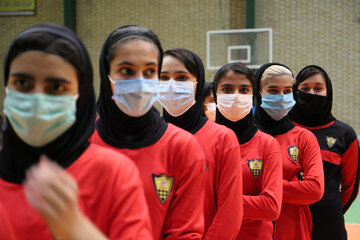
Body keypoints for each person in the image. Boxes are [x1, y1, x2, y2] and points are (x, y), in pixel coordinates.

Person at [0, 24, 152, 240]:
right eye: (23, 83)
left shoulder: (114, 173)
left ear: (81, 96)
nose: (38, 100)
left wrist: (75, 228)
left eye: (56, 87)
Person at [90, 26, 205, 239]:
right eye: (126, 70)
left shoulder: (181, 146)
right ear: (107, 75)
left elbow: (186, 232)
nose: (140, 81)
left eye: (150, 71)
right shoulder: (82, 143)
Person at [158, 48, 243, 239]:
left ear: (198, 83)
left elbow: (230, 213)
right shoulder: (149, 138)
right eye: (163, 77)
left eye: (181, 77)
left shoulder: (223, 138)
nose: (171, 85)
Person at [253, 63, 325, 240]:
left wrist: (263, 188)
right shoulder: (244, 136)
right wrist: (293, 182)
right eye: (273, 90)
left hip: (293, 229)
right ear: (258, 92)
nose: (281, 96)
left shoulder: (304, 137)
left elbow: (315, 189)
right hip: (252, 228)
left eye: (287, 91)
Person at [288, 65, 360, 240]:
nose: (311, 93)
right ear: (295, 92)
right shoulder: (283, 128)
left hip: (329, 226)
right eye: (305, 89)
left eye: (318, 88)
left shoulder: (345, 134)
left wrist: (330, 209)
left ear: (328, 91)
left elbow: (350, 188)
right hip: (288, 222)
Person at [212, 62, 283, 239]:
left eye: (244, 90)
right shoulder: (201, 141)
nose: (236, 96)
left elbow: (271, 207)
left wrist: (219, 202)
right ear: (215, 94)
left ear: (253, 95)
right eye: (227, 89)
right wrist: (251, 202)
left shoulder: (268, 144)